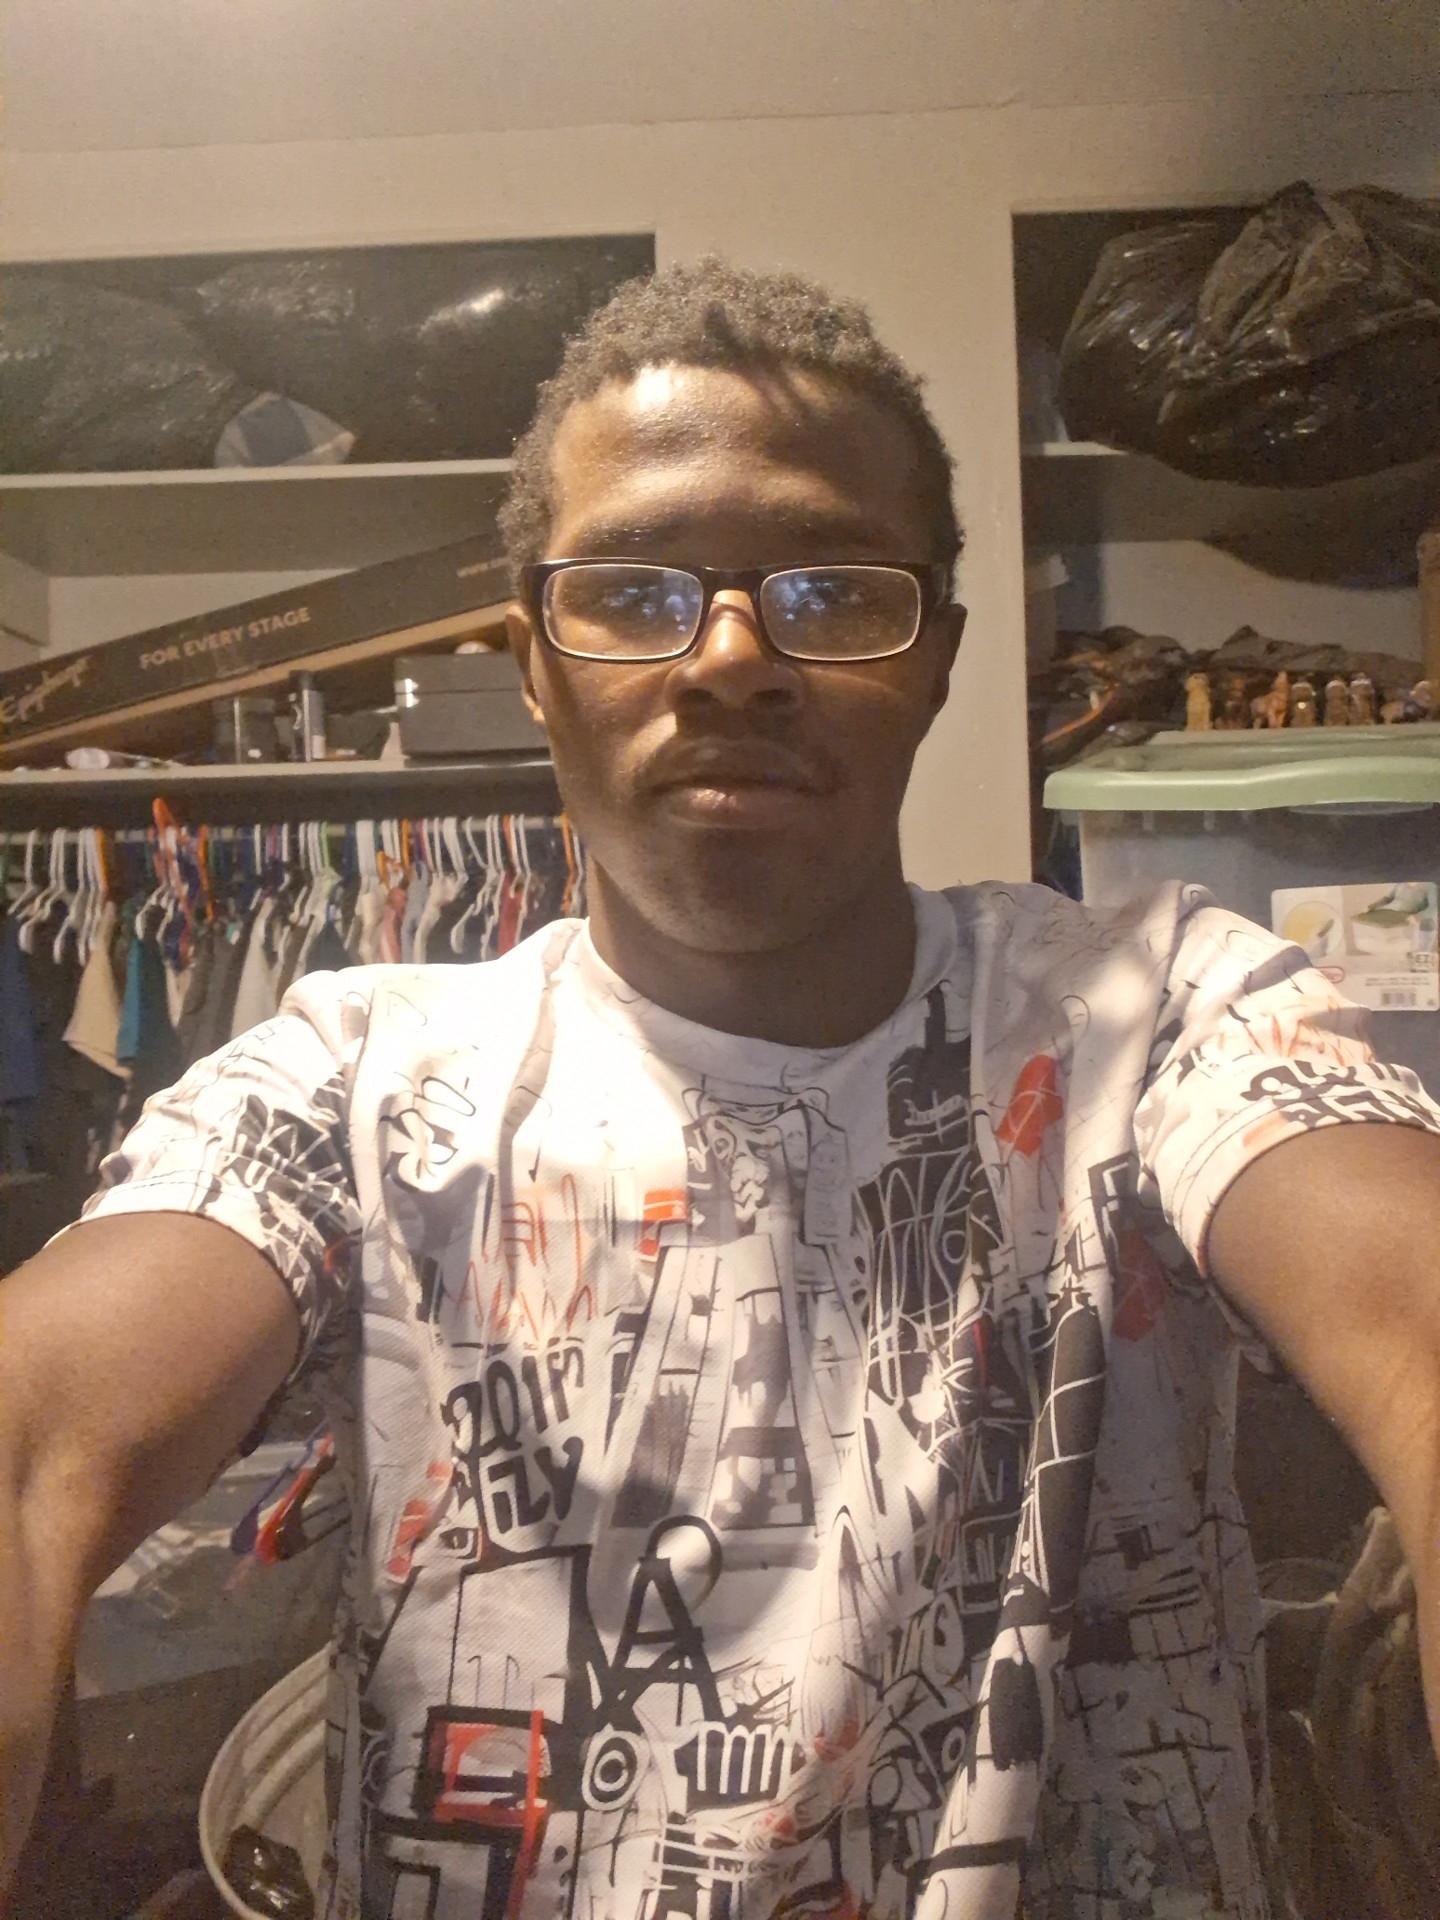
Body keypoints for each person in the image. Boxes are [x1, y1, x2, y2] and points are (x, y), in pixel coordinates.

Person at [3, 259, 1440, 1920]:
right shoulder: (352, 1083)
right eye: (633, 593)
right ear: (532, 661)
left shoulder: (1163, 1007)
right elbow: (34, 1447)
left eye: (831, 591)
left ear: (940, 658)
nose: (735, 659)